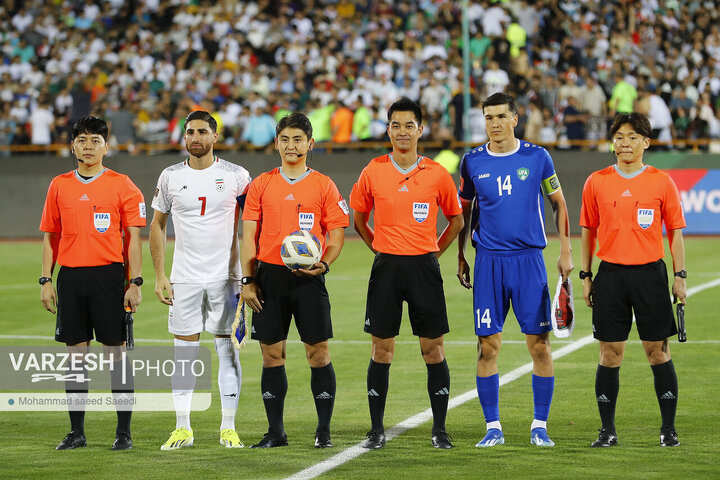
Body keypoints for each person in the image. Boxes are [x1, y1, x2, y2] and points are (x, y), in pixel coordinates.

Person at [456, 92, 573, 448]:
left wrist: (566, 249)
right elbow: (464, 210)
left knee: (539, 346)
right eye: (488, 117)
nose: (493, 124)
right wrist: (461, 254)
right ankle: (493, 426)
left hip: (529, 261)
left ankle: (539, 425)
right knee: (487, 347)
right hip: (488, 261)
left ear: (514, 119)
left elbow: (559, 203)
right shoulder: (471, 161)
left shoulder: (537, 157)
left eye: (500, 117)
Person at [350, 98, 464, 450]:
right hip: (386, 267)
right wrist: (380, 249)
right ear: (388, 129)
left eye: (408, 125)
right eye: (395, 125)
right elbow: (358, 218)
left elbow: (456, 219)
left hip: (423, 268)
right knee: (381, 349)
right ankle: (375, 429)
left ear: (420, 129)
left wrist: (433, 252)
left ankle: (440, 429)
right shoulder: (373, 170)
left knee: (433, 349)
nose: (402, 132)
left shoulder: (436, 173)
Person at [241, 112, 348, 449]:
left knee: (318, 354)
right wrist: (248, 280)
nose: (291, 145)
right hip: (268, 278)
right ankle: (275, 432)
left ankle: (324, 430)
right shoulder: (261, 184)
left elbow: (336, 234)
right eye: (285, 139)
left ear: (310, 144)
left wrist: (324, 264)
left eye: (297, 139)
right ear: (276, 143)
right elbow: (248, 236)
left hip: (308, 279)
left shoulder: (324, 184)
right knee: (272, 356)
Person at [579, 112, 686, 448]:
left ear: (646, 142)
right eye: (619, 137)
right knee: (610, 354)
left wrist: (680, 276)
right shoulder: (596, 181)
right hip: (610, 275)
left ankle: (668, 429)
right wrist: (585, 275)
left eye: (632, 137)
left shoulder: (661, 181)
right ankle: (607, 430)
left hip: (650, 274)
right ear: (613, 142)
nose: (625, 143)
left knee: (658, 352)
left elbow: (676, 234)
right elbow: (588, 231)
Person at [40, 116, 146, 450]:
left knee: (117, 356)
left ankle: (123, 433)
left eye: (95, 140)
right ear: (72, 145)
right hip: (70, 277)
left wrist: (136, 282)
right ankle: (77, 432)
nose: (88, 146)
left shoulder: (122, 184)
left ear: (106, 146)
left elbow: (133, 239)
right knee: (75, 357)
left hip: (109, 277)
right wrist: (46, 279)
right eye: (82, 140)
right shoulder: (59, 184)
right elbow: (50, 236)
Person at [150, 110, 251, 450]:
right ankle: (183, 427)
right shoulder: (169, 177)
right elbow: (157, 226)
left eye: (202, 131)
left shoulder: (237, 176)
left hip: (226, 278)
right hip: (185, 279)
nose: (196, 137)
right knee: (184, 353)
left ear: (214, 137)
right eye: (190, 131)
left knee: (227, 351)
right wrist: (161, 275)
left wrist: (249, 276)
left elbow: (252, 225)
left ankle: (228, 427)